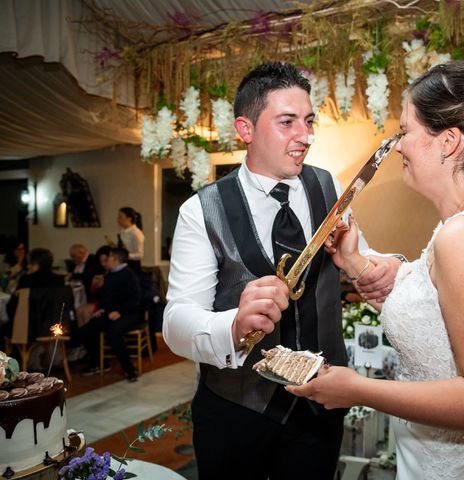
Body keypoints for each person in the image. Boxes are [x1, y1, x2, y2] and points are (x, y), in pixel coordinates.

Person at [288, 60, 464, 479]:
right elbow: (443, 306)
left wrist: (356, 388)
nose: (398, 145)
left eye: (406, 131)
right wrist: (357, 264)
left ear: (448, 142)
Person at [163, 61, 401, 480]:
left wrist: (384, 267)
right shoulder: (201, 210)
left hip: (318, 407)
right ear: (245, 129)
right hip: (235, 412)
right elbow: (176, 321)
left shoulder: (327, 186)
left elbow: (355, 252)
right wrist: (233, 326)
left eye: (309, 122)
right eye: (287, 122)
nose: (305, 137)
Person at [78, 247, 141, 381]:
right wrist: (101, 309)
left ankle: (130, 370)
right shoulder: (110, 275)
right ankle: (99, 363)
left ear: (116, 260)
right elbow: (105, 297)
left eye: (109, 258)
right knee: (86, 330)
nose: (107, 261)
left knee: (114, 332)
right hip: (110, 313)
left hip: (129, 314)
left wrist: (120, 312)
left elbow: (135, 299)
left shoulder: (129, 274)